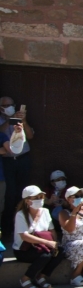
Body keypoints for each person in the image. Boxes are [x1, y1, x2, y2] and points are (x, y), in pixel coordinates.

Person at [13, 185, 65, 288]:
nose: (39, 200)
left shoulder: (45, 211)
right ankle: (25, 278)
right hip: (24, 249)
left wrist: (54, 243)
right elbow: (24, 236)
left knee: (61, 251)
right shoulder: (20, 215)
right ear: (27, 201)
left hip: (41, 245)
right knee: (45, 255)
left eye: (41, 197)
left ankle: (42, 276)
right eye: (36, 198)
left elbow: (52, 230)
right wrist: (47, 242)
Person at [1, 96, 35, 235]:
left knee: (23, 191)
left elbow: (30, 136)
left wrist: (24, 121)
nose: (10, 107)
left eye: (11, 104)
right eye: (6, 105)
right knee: (9, 194)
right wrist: (10, 120)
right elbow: (1, 132)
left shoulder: (20, 117)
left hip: (22, 159)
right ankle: (7, 229)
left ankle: (24, 225)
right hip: (7, 160)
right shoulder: (3, 121)